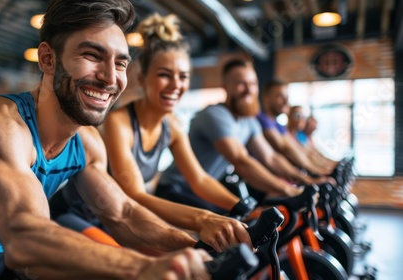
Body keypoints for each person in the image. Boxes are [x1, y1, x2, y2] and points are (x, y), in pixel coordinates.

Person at [0, 1, 214, 279]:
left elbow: (123, 214)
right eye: (92, 55)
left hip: (0, 256)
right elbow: (24, 235)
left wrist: (200, 240)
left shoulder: (88, 144)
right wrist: (143, 268)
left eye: (120, 63)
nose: (110, 78)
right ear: (48, 59)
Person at [50, 13, 252, 254]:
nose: (176, 85)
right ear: (143, 79)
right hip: (76, 217)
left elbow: (199, 179)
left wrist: (244, 207)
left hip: (124, 221)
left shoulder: (172, 126)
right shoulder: (120, 122)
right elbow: (134, 194)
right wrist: (205, 218)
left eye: (183, 76)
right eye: (165, 75)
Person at [156, 58, 321, 209]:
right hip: (175, 191)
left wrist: (306, 182)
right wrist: (288, 191)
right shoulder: (215, 115)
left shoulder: (248, 121)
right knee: (234, 227)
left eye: (253, 83)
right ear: (226, 86)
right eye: (241, 83)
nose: (249, 90)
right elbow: (241, 161)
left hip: (203, 190)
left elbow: (270, 158)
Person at [258, 80, 337, 176]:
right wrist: (316, 172)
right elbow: (285, 148)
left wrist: (324, 167)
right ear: (266, 98)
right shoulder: (262, 120)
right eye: (280, 97)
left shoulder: (278, 125)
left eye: (287, 97)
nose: (286, 102)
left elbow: (299, 149)